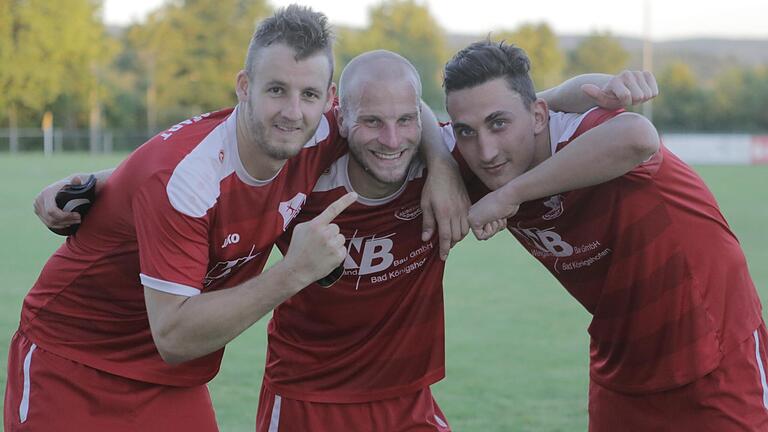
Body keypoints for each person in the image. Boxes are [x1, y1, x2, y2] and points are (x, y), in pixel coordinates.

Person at [3, 6, 469, 431]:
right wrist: (296, 270)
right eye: (275, 90)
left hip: (172, 381)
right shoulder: (187, 181)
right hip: (73, 361)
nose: (292, 111)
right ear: (244, 86)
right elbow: (176, 336)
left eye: (308, 94)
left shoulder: (322, 130)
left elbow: (397, 101)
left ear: (329, 100)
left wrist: (443, 168)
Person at [442, 39, 767, 431]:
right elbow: (416, 128)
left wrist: (512, 195)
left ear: (540, 116)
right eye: (466, 131)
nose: (487, 151)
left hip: (715, 350)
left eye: (499, 123)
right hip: (624, 363)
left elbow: (637, 135)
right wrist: (437, 170)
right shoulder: (479, 153)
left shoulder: (583, 132)